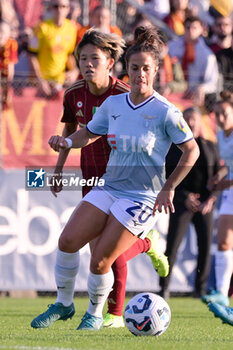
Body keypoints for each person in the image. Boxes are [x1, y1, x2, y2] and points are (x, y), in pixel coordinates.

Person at [31, 25, 199, 331]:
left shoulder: (166, 111)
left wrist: (168, 188)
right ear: (127, 69)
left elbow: (192, 151)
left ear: (156, 71)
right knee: (67, 241)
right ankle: (64, 304)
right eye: (134, 68)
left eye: (146, 69)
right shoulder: (114, 104)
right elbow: (88, 133)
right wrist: (66, 142)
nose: (139, 75)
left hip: (142, 196)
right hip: (109, 187)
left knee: (100, 261)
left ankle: (96, 314)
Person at [159, 106, 223, 299]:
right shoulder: (173, 149)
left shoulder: (210, 146)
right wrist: (184, 196)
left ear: (199, 122)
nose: (191, 123)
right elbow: (167, 178)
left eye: (194, 119)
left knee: (204, 247)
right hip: (181, 203)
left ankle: (200, 289)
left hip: (205, 205)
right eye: (187, 119)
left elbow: (219, 176)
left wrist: (211, 199)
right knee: (172, 247)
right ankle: (164, 287)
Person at [201, 91, 233, 308]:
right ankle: (222, 293)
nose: (220, 118)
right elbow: (228, 166)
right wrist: (218, 176)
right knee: (223, 241)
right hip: (230, 191)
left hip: (230, 188)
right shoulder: (221, 136)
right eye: (218, 114)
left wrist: (224, 183)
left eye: (225, 114)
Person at [27, 0, 78, 98]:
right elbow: (32, 55)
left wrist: (74, 70)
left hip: (60, 81)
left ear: (68, 9)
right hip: (41, 82)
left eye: (63, 6)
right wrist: (40, 80)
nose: (59, 10)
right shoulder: (41, 27)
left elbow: (69, 54)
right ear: (50, 8)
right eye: (56, 6)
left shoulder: (71, 28)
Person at [168, 16, 219, 106]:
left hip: (194, 98)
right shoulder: (172, 47)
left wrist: (202, 88)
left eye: (194, 28)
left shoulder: (207, 55)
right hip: (173, 93)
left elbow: (212, 81)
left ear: (201, 30)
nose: (191, 30)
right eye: (188, 27)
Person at [0, 20, 18, 109]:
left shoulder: (11, 44)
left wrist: (7, 88)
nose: (0, 35)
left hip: (4, 80)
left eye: (3, 32)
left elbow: (10, 69)